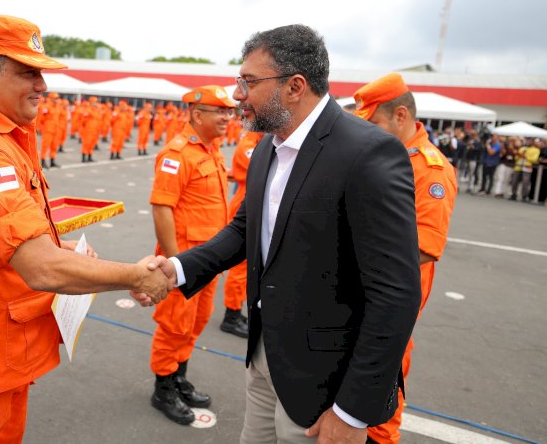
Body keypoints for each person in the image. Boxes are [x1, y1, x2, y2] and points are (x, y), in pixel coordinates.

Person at [135, 24, 420, 443]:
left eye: (248, 82)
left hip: (325, 384)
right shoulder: (268, 148)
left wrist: (353, 411)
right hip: (265, 356)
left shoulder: (367, 152)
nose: (237, 95)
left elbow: (396, 293)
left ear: (295, 86)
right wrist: (174, 270)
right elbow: (244, 231)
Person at [0, 14, 173, 443]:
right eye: (28, 72)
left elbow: (2, 238)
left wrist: (58, 246)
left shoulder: (5, 137)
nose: (42, 86)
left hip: (0, 345)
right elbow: (42, 269)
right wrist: (135, 276)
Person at [353, 73, 457, 444]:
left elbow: (425, 247)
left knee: (380, 405)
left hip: (389, 304)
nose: (370, 132)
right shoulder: (389, 156)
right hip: (363, 295)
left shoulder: (429, 168)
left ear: (400, 115)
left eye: (375, 123)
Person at [148, 85, 235, 425]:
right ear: (198, 115)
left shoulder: (212, 150)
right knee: (174, 326)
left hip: (206, 260)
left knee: (196, 323)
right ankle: (163, 388)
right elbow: (161, 208)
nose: (229, 117)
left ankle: (179, 376)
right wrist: (174, 264)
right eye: (221, 111)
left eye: (230, 111)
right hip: (184, 262)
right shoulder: (177, 154)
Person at [220, 128, 263, 338]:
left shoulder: (258, 142)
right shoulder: (249, 145)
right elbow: (262, 169)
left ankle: (236, 310)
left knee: (246, 267)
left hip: (252, 203)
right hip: (246, 205)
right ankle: (231, 316)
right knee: (239, 267)